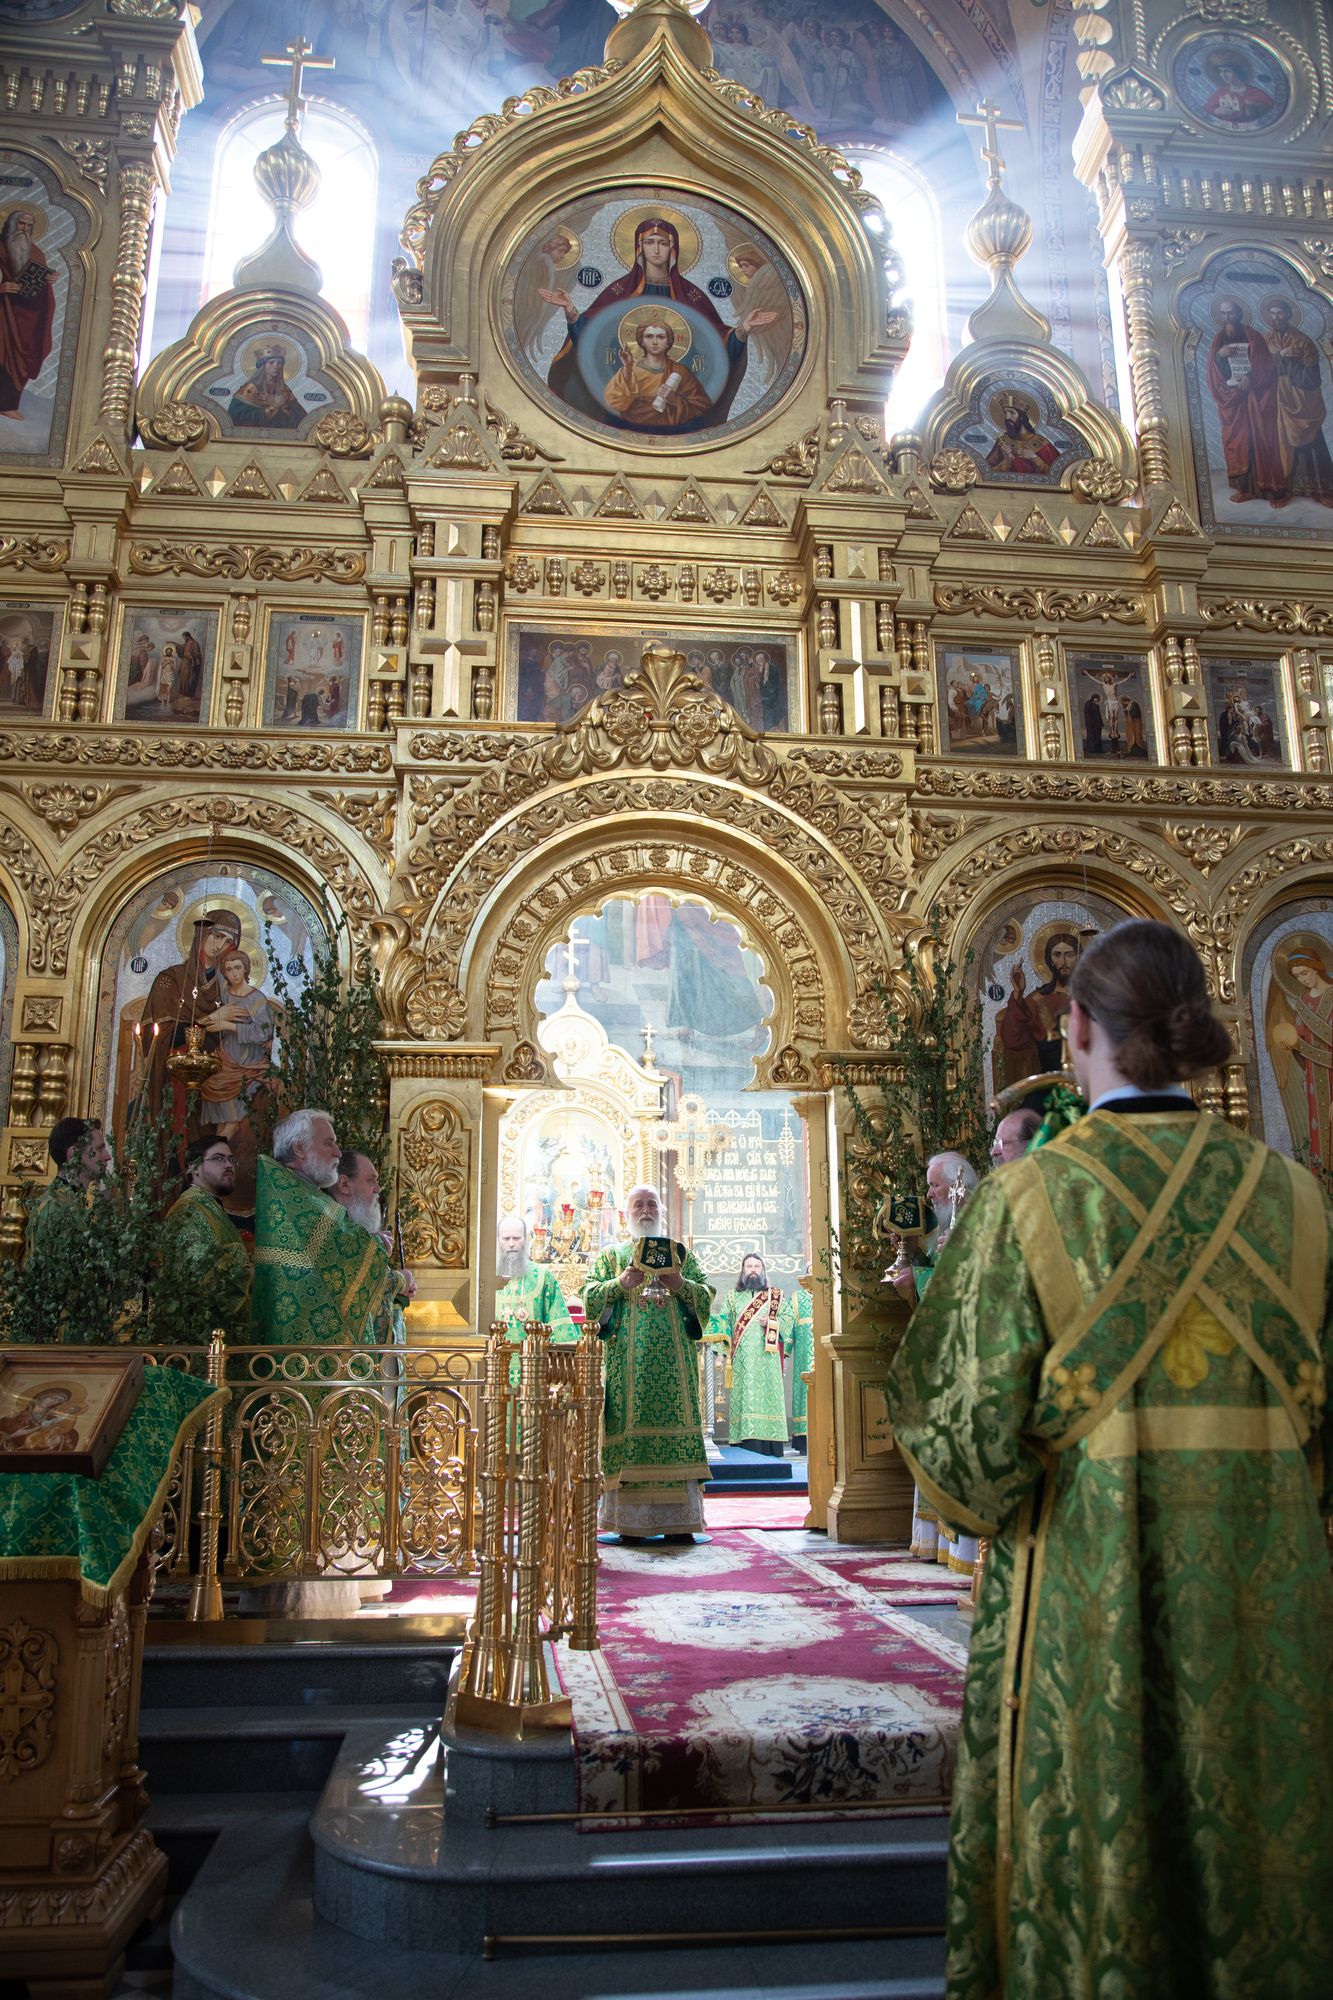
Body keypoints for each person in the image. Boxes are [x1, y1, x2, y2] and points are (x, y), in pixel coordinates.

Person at [886, 919, 1333, 1999]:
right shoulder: (1298, 1198)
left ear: (1076, 1025)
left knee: (1103, 1826)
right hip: (1266, 1589)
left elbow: (962, 1441)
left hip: (1086, 1593)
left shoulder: (1029, 1198)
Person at [583, 1182, 714, 1542]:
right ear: (626, 1213)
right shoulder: (612, 1257)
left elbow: (706, 1297)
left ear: (661, 1211)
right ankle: (631, 1524)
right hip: (629, 1370)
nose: (645, 1210)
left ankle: (681, 1523)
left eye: (652, 1204)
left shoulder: (680, 1254)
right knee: (630, 1435)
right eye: (638, 1204)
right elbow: (589, 1300)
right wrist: (620, 1283)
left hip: (675, 1373)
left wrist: (680, 1283)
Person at [892, 1150, 982, 1578]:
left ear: (958, 1184)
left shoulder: (980, 1221)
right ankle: (943, 1542)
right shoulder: (944, 1227)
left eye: (935, 1185)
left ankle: (967, 1546)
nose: (929, 1194)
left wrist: (920, 1278)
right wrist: (913, 1265)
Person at [252, 1110, 397, 1349]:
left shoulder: (301, 1192)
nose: (337, 1152)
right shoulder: (293, 1198)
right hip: (301, 1349)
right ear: (299, 1148)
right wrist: (377, 1245)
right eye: (329, 1143)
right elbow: (336, 1253)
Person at [158, 1136, 252, 1341]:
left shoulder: (209, 1207)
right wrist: (248, 1272)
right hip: (197, 1338)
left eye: (231, 1159)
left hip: (220, 1335)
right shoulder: (188, 1210)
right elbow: (198, 1269)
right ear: (194, 1168)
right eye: (218, 1159)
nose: (228, 1165)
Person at [707, 1252, 794, 1456]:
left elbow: (789, 1320)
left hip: (768, 1360)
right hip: (742, 1361)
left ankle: (770, 1444)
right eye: (749, 1266)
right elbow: (725, 1325)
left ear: (762, 1270)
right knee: (744, 1398)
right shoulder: (732, 1297)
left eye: (757, 1266)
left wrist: (772, 1322)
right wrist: (720, 1353)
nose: (753, 1270)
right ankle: (744, 1444)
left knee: (767, 1399)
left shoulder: (775, 1296)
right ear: (743, 1271)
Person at [1207, 298, 1284, 504]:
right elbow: (1212, 370)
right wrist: (1219, 356)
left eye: (1231, 313)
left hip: (1253, 397)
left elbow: (1266, 367)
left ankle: (1264, 487)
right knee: (1237, 441)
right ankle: (1244, 488)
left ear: (1239, 313)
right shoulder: (1218, 340)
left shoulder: (1253, 337)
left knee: (1257, 439)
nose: (1227, 317)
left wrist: (1250, 377)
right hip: (1231, 400)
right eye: (1223, 313)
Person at [1262, 298, 1333, 504]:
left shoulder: (1303, 341)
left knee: (1312, 444)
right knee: (1278, 443)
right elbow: (1261, 370)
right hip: (1277, 401)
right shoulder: (1266, 340)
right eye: (1273, 313)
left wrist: (1289, 363)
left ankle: (1322, 491)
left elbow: (1312, 379)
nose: (1276, 317)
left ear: (1288, 315)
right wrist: (1282, 355)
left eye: (1280, 313)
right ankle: (1282, 489)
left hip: (1301, 402)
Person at [25, 1117, 111, 1259]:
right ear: (74, 1153)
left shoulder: (72, 1200)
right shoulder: (55, 1208)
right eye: (99, 1148)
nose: (107, 1156)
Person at [603, 320, 712, 431]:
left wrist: (675, 400)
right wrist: (627, 368)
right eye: (649, 336)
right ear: (642, 341)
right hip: (632, 430)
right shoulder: (630, 369)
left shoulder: (680, 371)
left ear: (668, 342)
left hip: (674, 432)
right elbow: (615, 402)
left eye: (660, 337)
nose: (654, 342)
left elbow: (702, 407)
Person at [0, 208, 55, 421]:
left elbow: (39, 286)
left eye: (29, 226)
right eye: (21, 224)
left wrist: (48, 281)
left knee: (19, 360)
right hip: (2, 311)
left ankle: (7, 404)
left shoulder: (36, 253)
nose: (24, 229)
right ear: (11, 224)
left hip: (25, 317)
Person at [495, 1213, 575, 1342]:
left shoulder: (543, 1277)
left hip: (534, 1354)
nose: (511, 1244)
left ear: (526, 1239)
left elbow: (560, 1331)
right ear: (498, 1240)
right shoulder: (486, 1277)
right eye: (506, 1238)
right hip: (493, 1354)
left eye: (516, 1238)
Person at [226, 343, 304, 429]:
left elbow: (301, 419)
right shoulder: (250, 389)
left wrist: (284, 406)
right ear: (263, 365)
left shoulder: (284, 390)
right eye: (271, 362)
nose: (276, 366)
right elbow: (237, 419)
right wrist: (274, 407)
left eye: (279, 363)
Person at [789, 1279, 815, 1453]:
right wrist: (784, 1352)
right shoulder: (797, 1298)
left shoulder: (830, 1293)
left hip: (827, 1353)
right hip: (803, 1356)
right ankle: (803, 1441)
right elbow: (790, 1327)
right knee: (803, 1390)